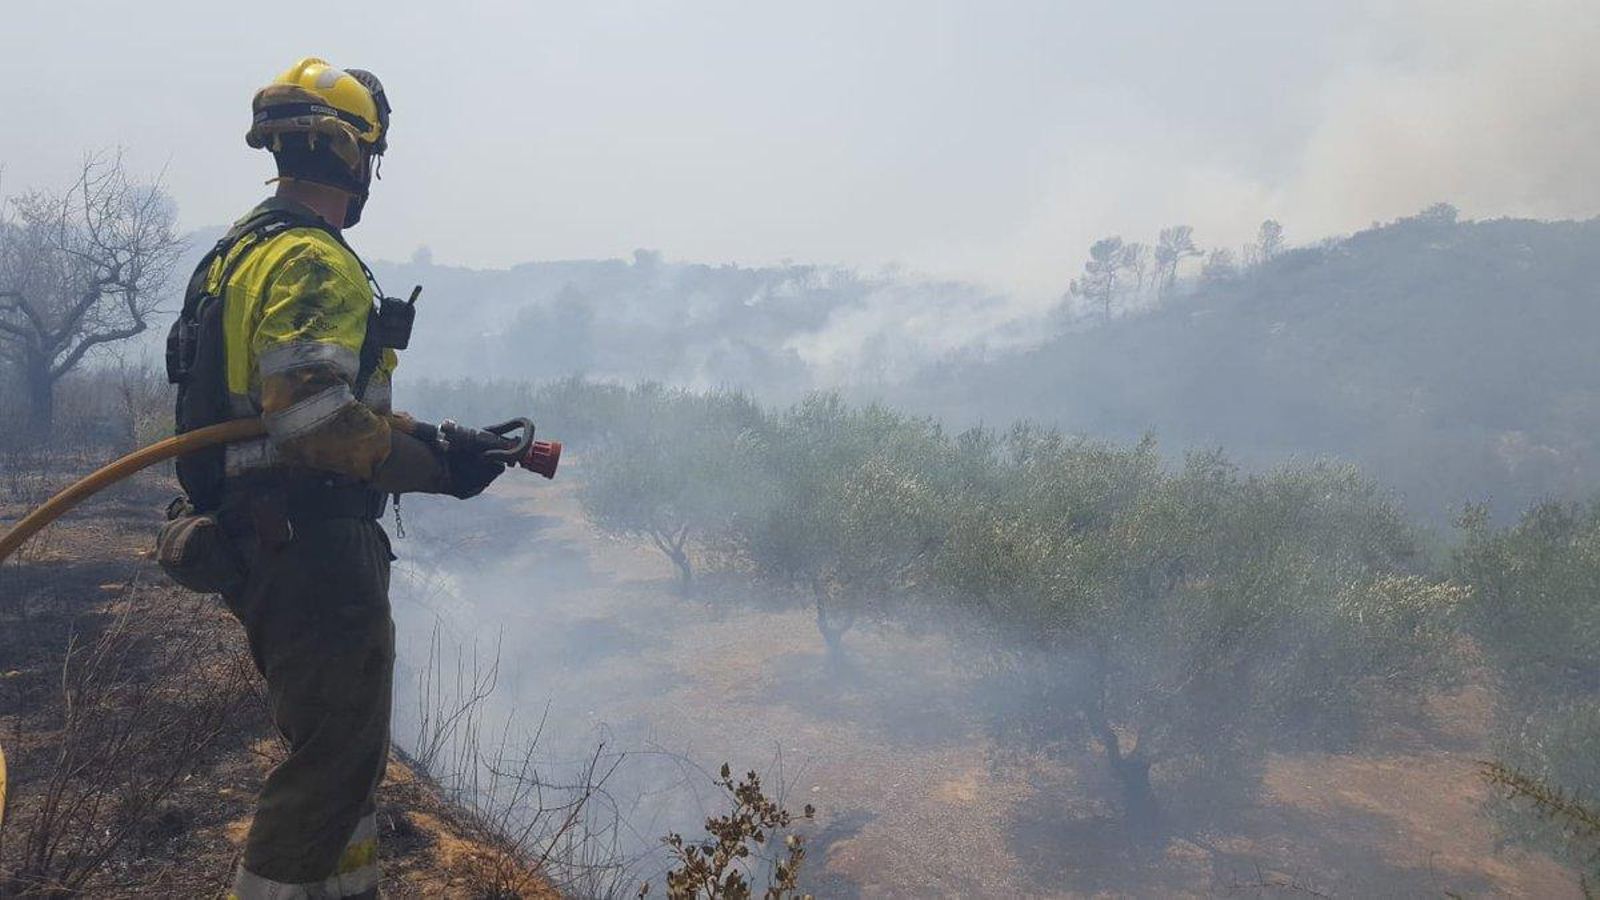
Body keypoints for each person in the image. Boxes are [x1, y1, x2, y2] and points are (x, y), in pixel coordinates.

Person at [170, 57, 503, 899]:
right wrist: (435, 470)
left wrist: (425, 434)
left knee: (341, 754)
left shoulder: (235, 255)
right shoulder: (314, 261)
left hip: (261, 541)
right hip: (314, 549)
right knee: (333, 763)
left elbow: (285, 406)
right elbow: (312, 418)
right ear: (356, 159)